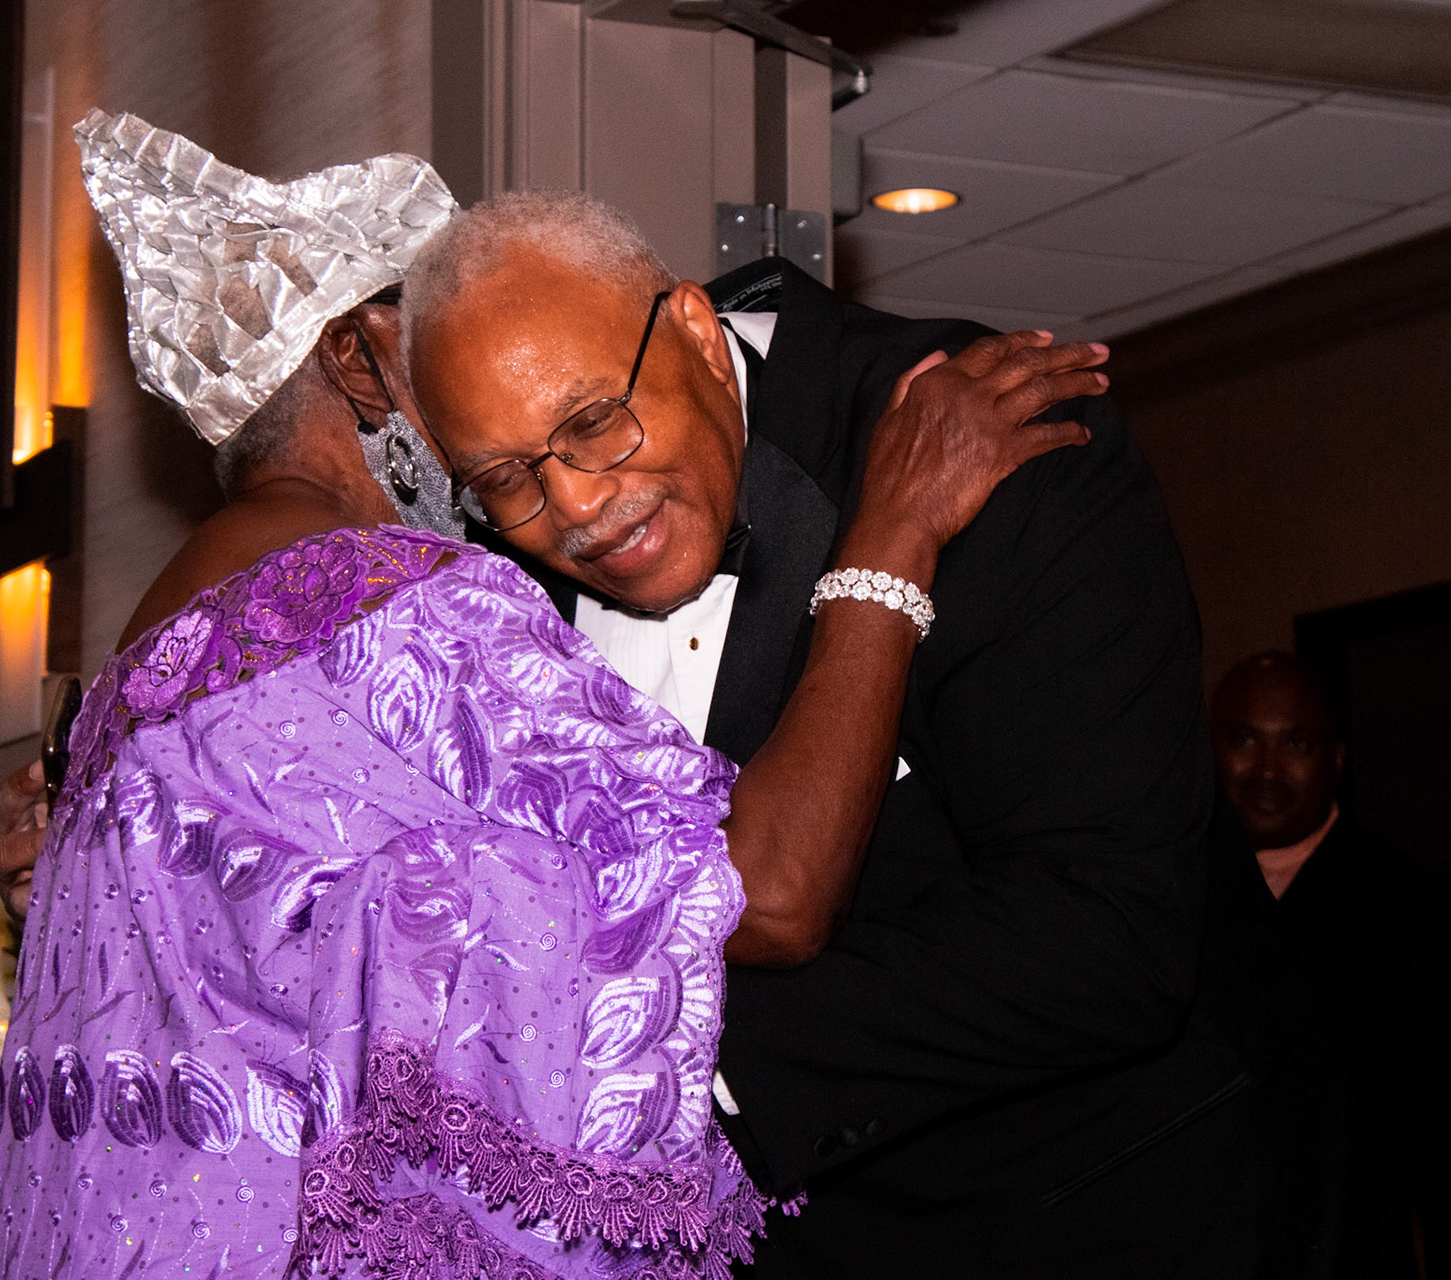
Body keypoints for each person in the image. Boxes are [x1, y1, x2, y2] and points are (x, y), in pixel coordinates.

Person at [0, 112, 1099, 1278]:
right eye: (442, 343)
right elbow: (763, 892)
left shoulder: (137, 683)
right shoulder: (387, 602)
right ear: (362, 359)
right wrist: (892, 534)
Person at [398, 192, 1273, 1277]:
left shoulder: (994, 443)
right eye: (505, 478)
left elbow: (1108, 935)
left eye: (593, 422)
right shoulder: (489, 589)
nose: (575, 504)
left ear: (695, 334)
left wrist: (668, 1058)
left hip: (1110, 1213)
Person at [1212, 652, 1451, 1277]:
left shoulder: (1411, 911)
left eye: (1296, 743)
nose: (1267, 769)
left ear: (1337, 759)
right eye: (1243, 740)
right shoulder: (1166, 896)